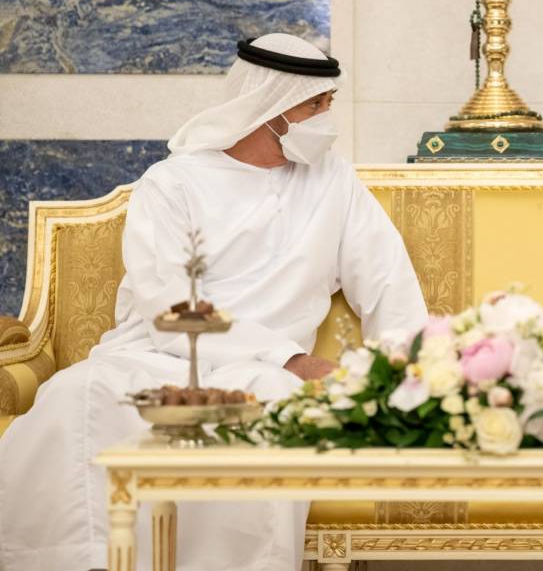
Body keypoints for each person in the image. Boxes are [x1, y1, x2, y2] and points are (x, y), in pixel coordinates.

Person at [0, 33, 428, 571]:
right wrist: (292, 358)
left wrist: (411, 378)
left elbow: (387, 281)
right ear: (269, 108)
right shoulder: (173, 183)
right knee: (77, 391)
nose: (327, 120)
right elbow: (170, 308)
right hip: (157, 357)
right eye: (315, 105)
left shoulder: (333, 181)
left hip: (259, 375)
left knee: (269, 404)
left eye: (329, 104)